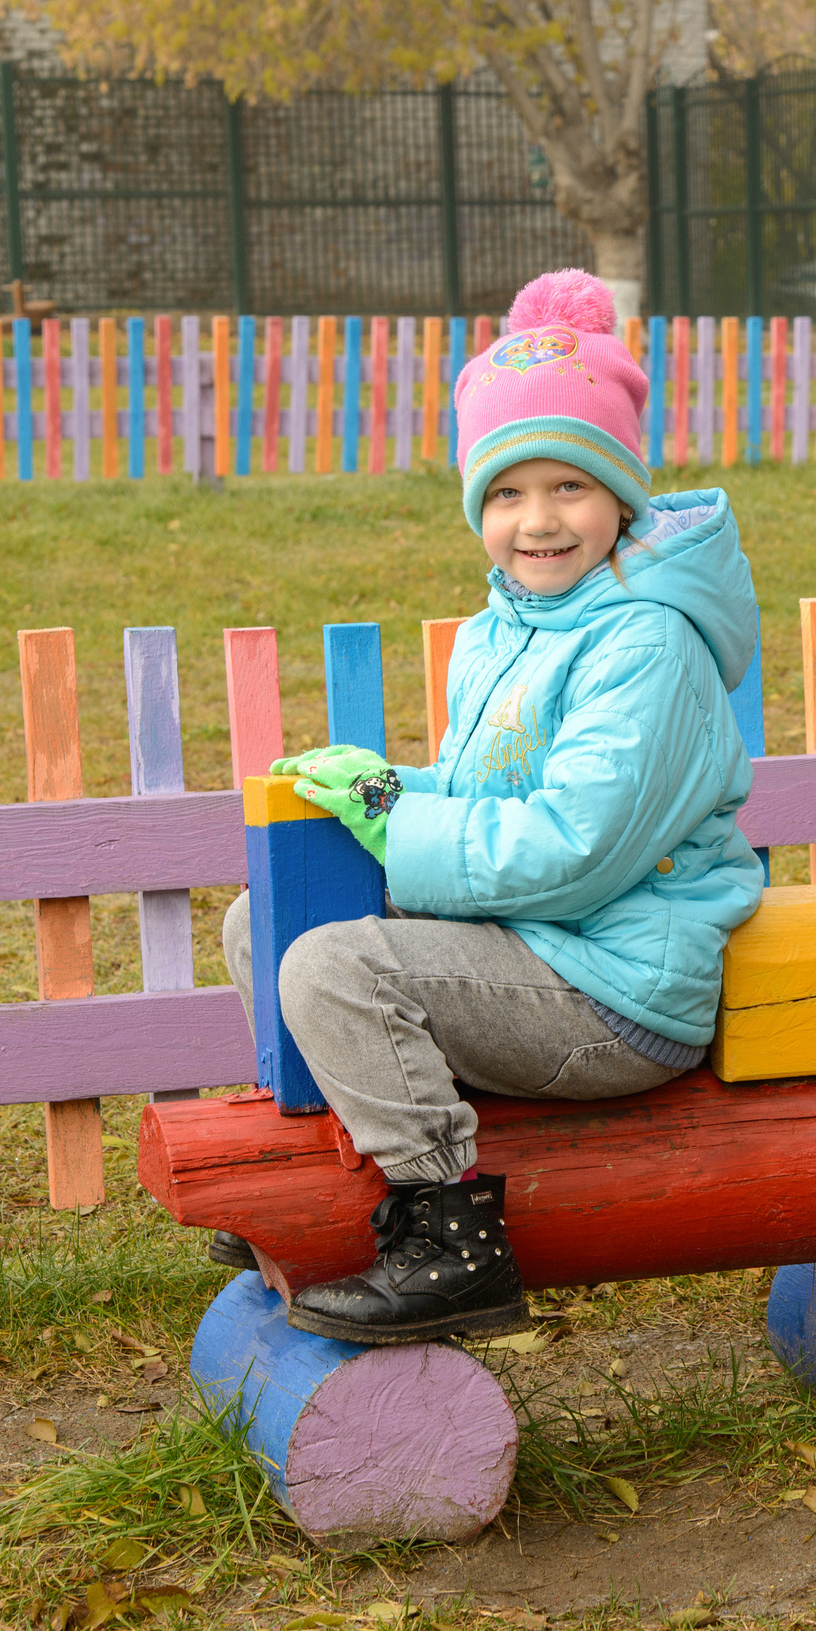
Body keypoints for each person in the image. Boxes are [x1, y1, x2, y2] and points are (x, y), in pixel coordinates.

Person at [219, 269, 766, 1345]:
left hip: (615, 982)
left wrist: (401, 822)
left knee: (335, 966)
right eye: (507, 492)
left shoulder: (644, 643)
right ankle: (337, 1182)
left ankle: (451, 1237)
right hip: (531, 945)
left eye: (570, 486)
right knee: (265, 921)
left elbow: (574, 849)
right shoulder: (503, 627)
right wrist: (387, 791)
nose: (538, 520)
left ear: (622, 499)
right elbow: (489, 800)